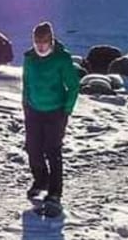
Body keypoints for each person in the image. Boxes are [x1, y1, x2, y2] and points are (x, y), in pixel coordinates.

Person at [22, 22, 80, 217]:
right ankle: (41, 181)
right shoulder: (29, 58)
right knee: (32, 148)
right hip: (34, 110)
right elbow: (26, 82)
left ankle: (55, 194)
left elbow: (73, 86)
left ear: (51, 41)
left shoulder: (62, 59)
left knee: (52, 151)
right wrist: (26, 105)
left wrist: (67, 110)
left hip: (56, 111)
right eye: (37, 41)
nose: (40, 46)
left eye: (44, 41)